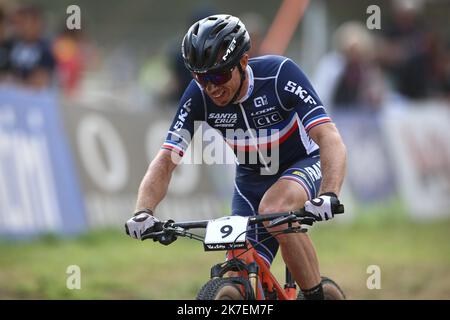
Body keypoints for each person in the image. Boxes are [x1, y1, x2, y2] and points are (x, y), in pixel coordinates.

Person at [125, 14, 347, 300]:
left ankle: (316, 295)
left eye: (218, 75)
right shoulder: (199, 95)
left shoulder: (279, 74)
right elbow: (167, 159)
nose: (212, 87)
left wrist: (329, 192)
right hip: (250, 183)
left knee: (273, 208)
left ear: (243, 62)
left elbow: (329, 136)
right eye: (201, 78)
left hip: (302, 164)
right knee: (237, 275)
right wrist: (144, 211)